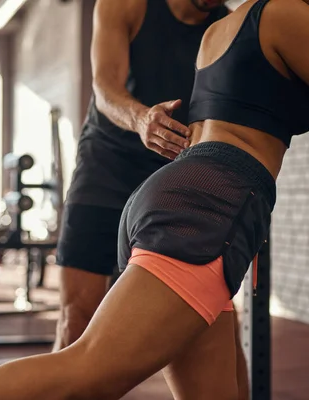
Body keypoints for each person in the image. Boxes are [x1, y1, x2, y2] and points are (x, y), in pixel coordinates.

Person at [0, 0, 309, 399]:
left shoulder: (224, 28)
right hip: (209, 210)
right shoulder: (290, 15)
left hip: (175, 195)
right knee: (87, 371)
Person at [52, 0, 251, 396]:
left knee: (215, 320)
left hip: (173, 177)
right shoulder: (126, 4)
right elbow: (105, 87)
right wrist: (142, 119)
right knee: (78, 319)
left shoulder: (228, 26)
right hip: (106, 167)